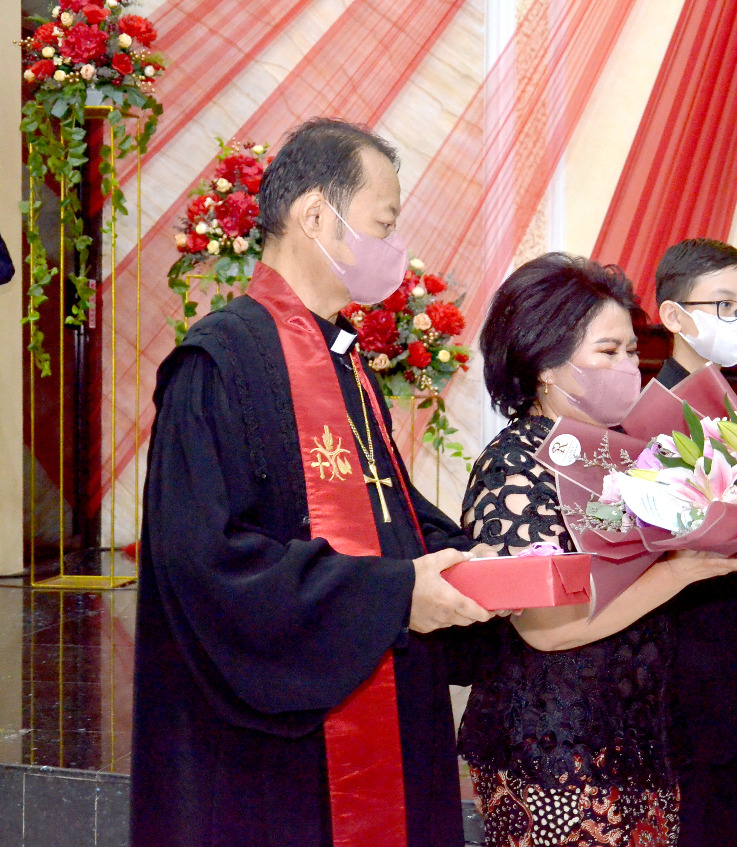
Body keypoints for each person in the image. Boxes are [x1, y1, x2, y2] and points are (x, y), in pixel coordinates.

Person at [131, 118, 499, 847]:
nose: (395, 249)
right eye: (383, 224)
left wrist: (474, 564)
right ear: (314, 215)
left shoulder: (345, 361)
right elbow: (206, 565)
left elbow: (391, 511)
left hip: (386, 720)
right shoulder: (219, 363)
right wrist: (395, 594)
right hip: (277, 760)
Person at [457, 252, 737, 847]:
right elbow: (545, 628)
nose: (628, 367)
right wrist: (682, 571)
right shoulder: (514, 465)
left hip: (641, 737)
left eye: (631, 351)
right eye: (608, 351)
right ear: (546, 364)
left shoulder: (620, 453)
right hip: (555, 750)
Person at [651, 238, 737, 847]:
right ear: (674, 316)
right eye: (725, 306)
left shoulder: (732, 406)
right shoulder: (653, 416)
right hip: (687, 674)